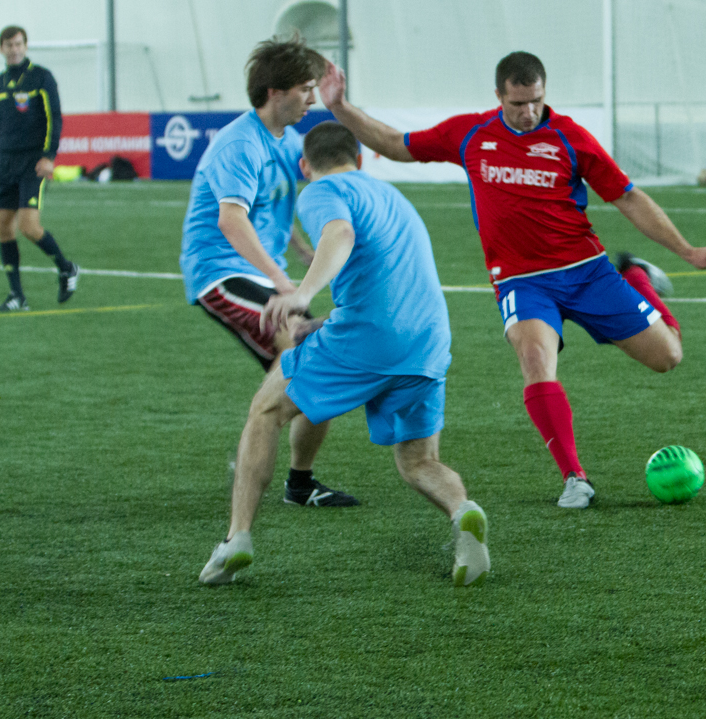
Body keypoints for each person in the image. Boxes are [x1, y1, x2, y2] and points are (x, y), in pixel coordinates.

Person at [319, 51, 706, 509]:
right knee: (535, 359)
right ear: (499, 96)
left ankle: (636, 277)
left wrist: (687, 251)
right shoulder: (470, 133)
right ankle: (575, 478)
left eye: (536, 100)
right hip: (522, 282)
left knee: (668, 357)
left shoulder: (571, 138)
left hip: (587, 272)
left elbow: (628, 198)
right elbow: (397, 144)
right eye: (518, 103)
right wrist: (340, 107)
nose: (529, 111)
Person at [199, 122, 489, 586]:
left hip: (370, 338)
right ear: (360, 158)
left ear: (304, 165)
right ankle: (463, 510)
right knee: (418, 462)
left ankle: (237, 539)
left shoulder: (320, 191)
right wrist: (320, 323)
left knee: (266, 410)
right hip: (428, 340)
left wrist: (301, 293)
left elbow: (340, 233)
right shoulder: (391, 196)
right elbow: (388, 282)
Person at [179, 36, 359, 508]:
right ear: (275, 93)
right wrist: (283, 283)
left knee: (318, 361)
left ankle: (299, 483)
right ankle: (254, 452)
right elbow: (231, 220)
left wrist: (300, 251)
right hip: (219, 272)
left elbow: (273, 207)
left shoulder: (288, 141)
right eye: (304, 89)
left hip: (262, 273)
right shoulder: (240, 144)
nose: (312, 98)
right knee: (298, 346)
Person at [0, 25, 78, 311]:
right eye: (9, 45)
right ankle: (17, 296)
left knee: (28, 227)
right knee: (3, 228)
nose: (14, 49)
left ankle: (66, 268)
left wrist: (49, 155)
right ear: (1, 49)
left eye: (18, 44)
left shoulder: (41, 77)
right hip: (3, 164)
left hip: (32, 164)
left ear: (25, 46)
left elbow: (55, 117)